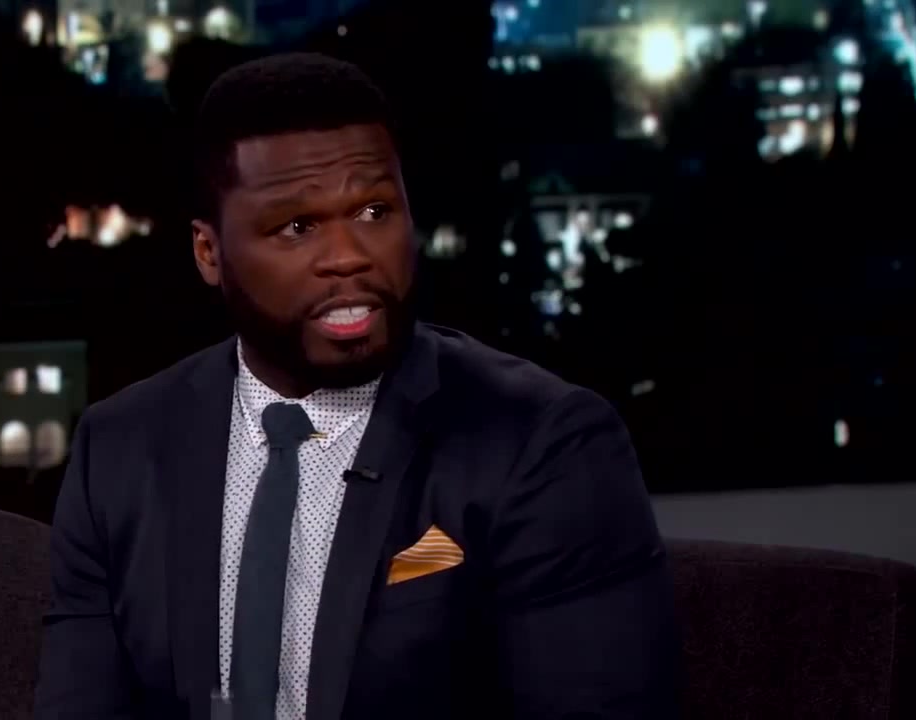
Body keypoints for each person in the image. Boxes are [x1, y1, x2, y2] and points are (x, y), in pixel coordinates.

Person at [35, 53, 680, 720]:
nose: (349, 255)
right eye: (298, 227)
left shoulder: (543, 444)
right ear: (209, 253)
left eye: (374, 211)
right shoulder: (118, 451)